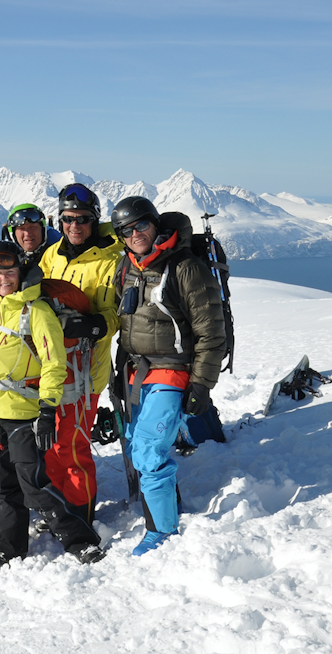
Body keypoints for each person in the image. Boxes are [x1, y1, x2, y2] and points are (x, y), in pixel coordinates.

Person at [0, 242, 106, 569]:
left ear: (20, 272)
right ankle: (11, 548)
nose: (3, 279)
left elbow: (55, 364)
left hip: (24, 413)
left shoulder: (37, 311)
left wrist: (48, 408)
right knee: (3, 486)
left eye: (9, 272)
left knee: (35, 485)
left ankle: (81, 540)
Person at [109, 196, 226, 556]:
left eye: (141, 225)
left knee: (146, 449)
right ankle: (163, 513)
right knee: (135, 439)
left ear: (155, 224)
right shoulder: (126, 267)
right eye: (126, 231)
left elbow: (211, 332)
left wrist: (201, 385)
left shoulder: (185, 267)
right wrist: (119, 371)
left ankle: (161, 531)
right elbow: (126, 325)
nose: (135, 234)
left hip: (172, 369)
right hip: (136, 369)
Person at [37, 183, 124, 525]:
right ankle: (59, 505)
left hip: (87, 369)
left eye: (83, 219)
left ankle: (79, 515)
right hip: (50, 367)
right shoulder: (51, 255)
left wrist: (91, 325)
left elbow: (119, 315)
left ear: (95, 220)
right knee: (51, 446)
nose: (75, 226)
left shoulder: (111, 261)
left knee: (73, 448)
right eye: (68, 219)